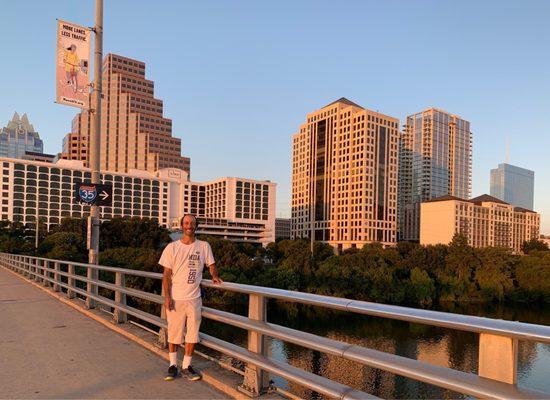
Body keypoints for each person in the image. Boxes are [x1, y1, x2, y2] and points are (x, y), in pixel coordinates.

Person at [159, 214, 223, 381]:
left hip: (194, 299)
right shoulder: (172, 248)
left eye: (192, 223)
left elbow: (211, 265)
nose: (189, 226)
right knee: (174, 333)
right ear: (181, 226)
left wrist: (214, 276)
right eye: (186, 223)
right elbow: (166, 275)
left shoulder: (204, 246)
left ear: (196, 226)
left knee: (192, 334)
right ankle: (172, 365)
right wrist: (167, 297)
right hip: (176, 298)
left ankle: (187, 366)